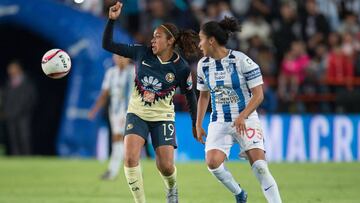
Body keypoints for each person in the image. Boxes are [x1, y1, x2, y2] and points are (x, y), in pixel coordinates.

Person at [102, 2, 198, 203]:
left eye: (157, 36)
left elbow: (190, 96)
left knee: (166, 166)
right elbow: (108, 45)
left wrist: (195, 124)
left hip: (163, 118)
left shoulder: (180, 68)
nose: (152, 40)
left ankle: (172, 188)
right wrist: (112, 20)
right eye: (153, 36)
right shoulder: (141, 53)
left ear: (170, 41)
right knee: (129, 158)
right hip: (137, 114)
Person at [195, 17, 282, 203]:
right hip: (219, 121)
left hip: (246, 119)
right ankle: (239, 193)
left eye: (201, 38)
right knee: (212, 163)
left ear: (211, 40)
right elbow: (203, 96)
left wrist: (243, 116)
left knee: (260, 167)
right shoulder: (203, 65)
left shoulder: (242, 60)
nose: (199, 44)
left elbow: (258, 95)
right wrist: (198, 123)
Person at [88, 54, 135, 180]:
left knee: (120, 138)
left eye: (123, 57)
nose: (121, 60)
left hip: (130, 110)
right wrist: (94, 110)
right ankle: (131, 169)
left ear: (128, 58)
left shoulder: (133, 72)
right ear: (114, 58)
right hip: (114, 111)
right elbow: (104, 93)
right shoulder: (111, 73)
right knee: (120, 140)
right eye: (118, 57)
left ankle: (113, 170)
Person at [3, 60, 37, 155]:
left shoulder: (27, 82)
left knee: (24, 136)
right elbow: (6, 98)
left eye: (12, 68)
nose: (10, 71)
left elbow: (31, 98)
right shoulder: (8, 83)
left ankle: (26, 155)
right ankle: (15, 155)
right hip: (10, 114)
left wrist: (23, 110)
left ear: (18, 69)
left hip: (23, 115)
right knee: (12, 136)